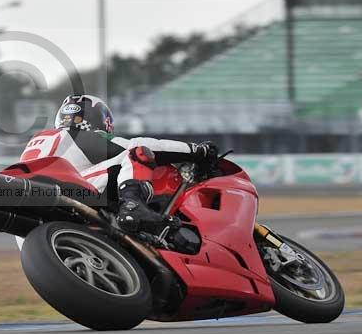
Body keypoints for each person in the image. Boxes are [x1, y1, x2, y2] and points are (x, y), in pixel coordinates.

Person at [19, 94, 217, 232]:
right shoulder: (78, 136)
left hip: (27, 220)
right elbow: (140, 146)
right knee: (138, 153)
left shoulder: (40, 138)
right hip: (65, 190)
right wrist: (196, 151)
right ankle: (132, 206)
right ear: (98, 118)